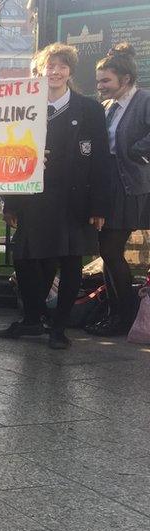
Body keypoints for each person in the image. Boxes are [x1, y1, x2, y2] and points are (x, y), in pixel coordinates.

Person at [0, 43, 110, 349]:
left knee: (70, 262)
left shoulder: (90, 109)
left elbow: (101, 160)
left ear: (70, 71)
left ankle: (58, 328)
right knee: (25, 259)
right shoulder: (25, 107)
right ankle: (33, 318)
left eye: (61, 66)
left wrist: (99, 205)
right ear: (39, 70)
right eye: (50, 66)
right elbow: (12, 157)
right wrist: (10, 201)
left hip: (74, 200)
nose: (55, 71)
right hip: (34, 198)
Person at [90, 43, 150, 336]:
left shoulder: (144, 100)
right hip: (109, 185)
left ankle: (122, 315)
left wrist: (137, 152)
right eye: (99, 80)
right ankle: (116, 314)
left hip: (129, 186)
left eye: (105, 81)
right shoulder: (107, 106)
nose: (100, 86)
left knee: (110, 249)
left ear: (124, 79)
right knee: (107, 251)